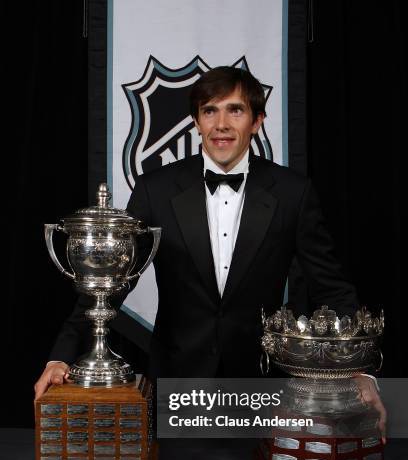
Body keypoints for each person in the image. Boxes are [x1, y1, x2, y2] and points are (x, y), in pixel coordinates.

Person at [34, 66, 386, 439]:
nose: (221, 124)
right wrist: (61, 355)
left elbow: (330, 285)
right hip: (175, 389)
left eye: (235, 110)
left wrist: (359, 372)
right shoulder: (156, 189)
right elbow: (110, 283)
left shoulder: (292, 192)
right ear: (196, 122)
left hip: (262, 389)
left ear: (257, 121)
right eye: (209, 111)